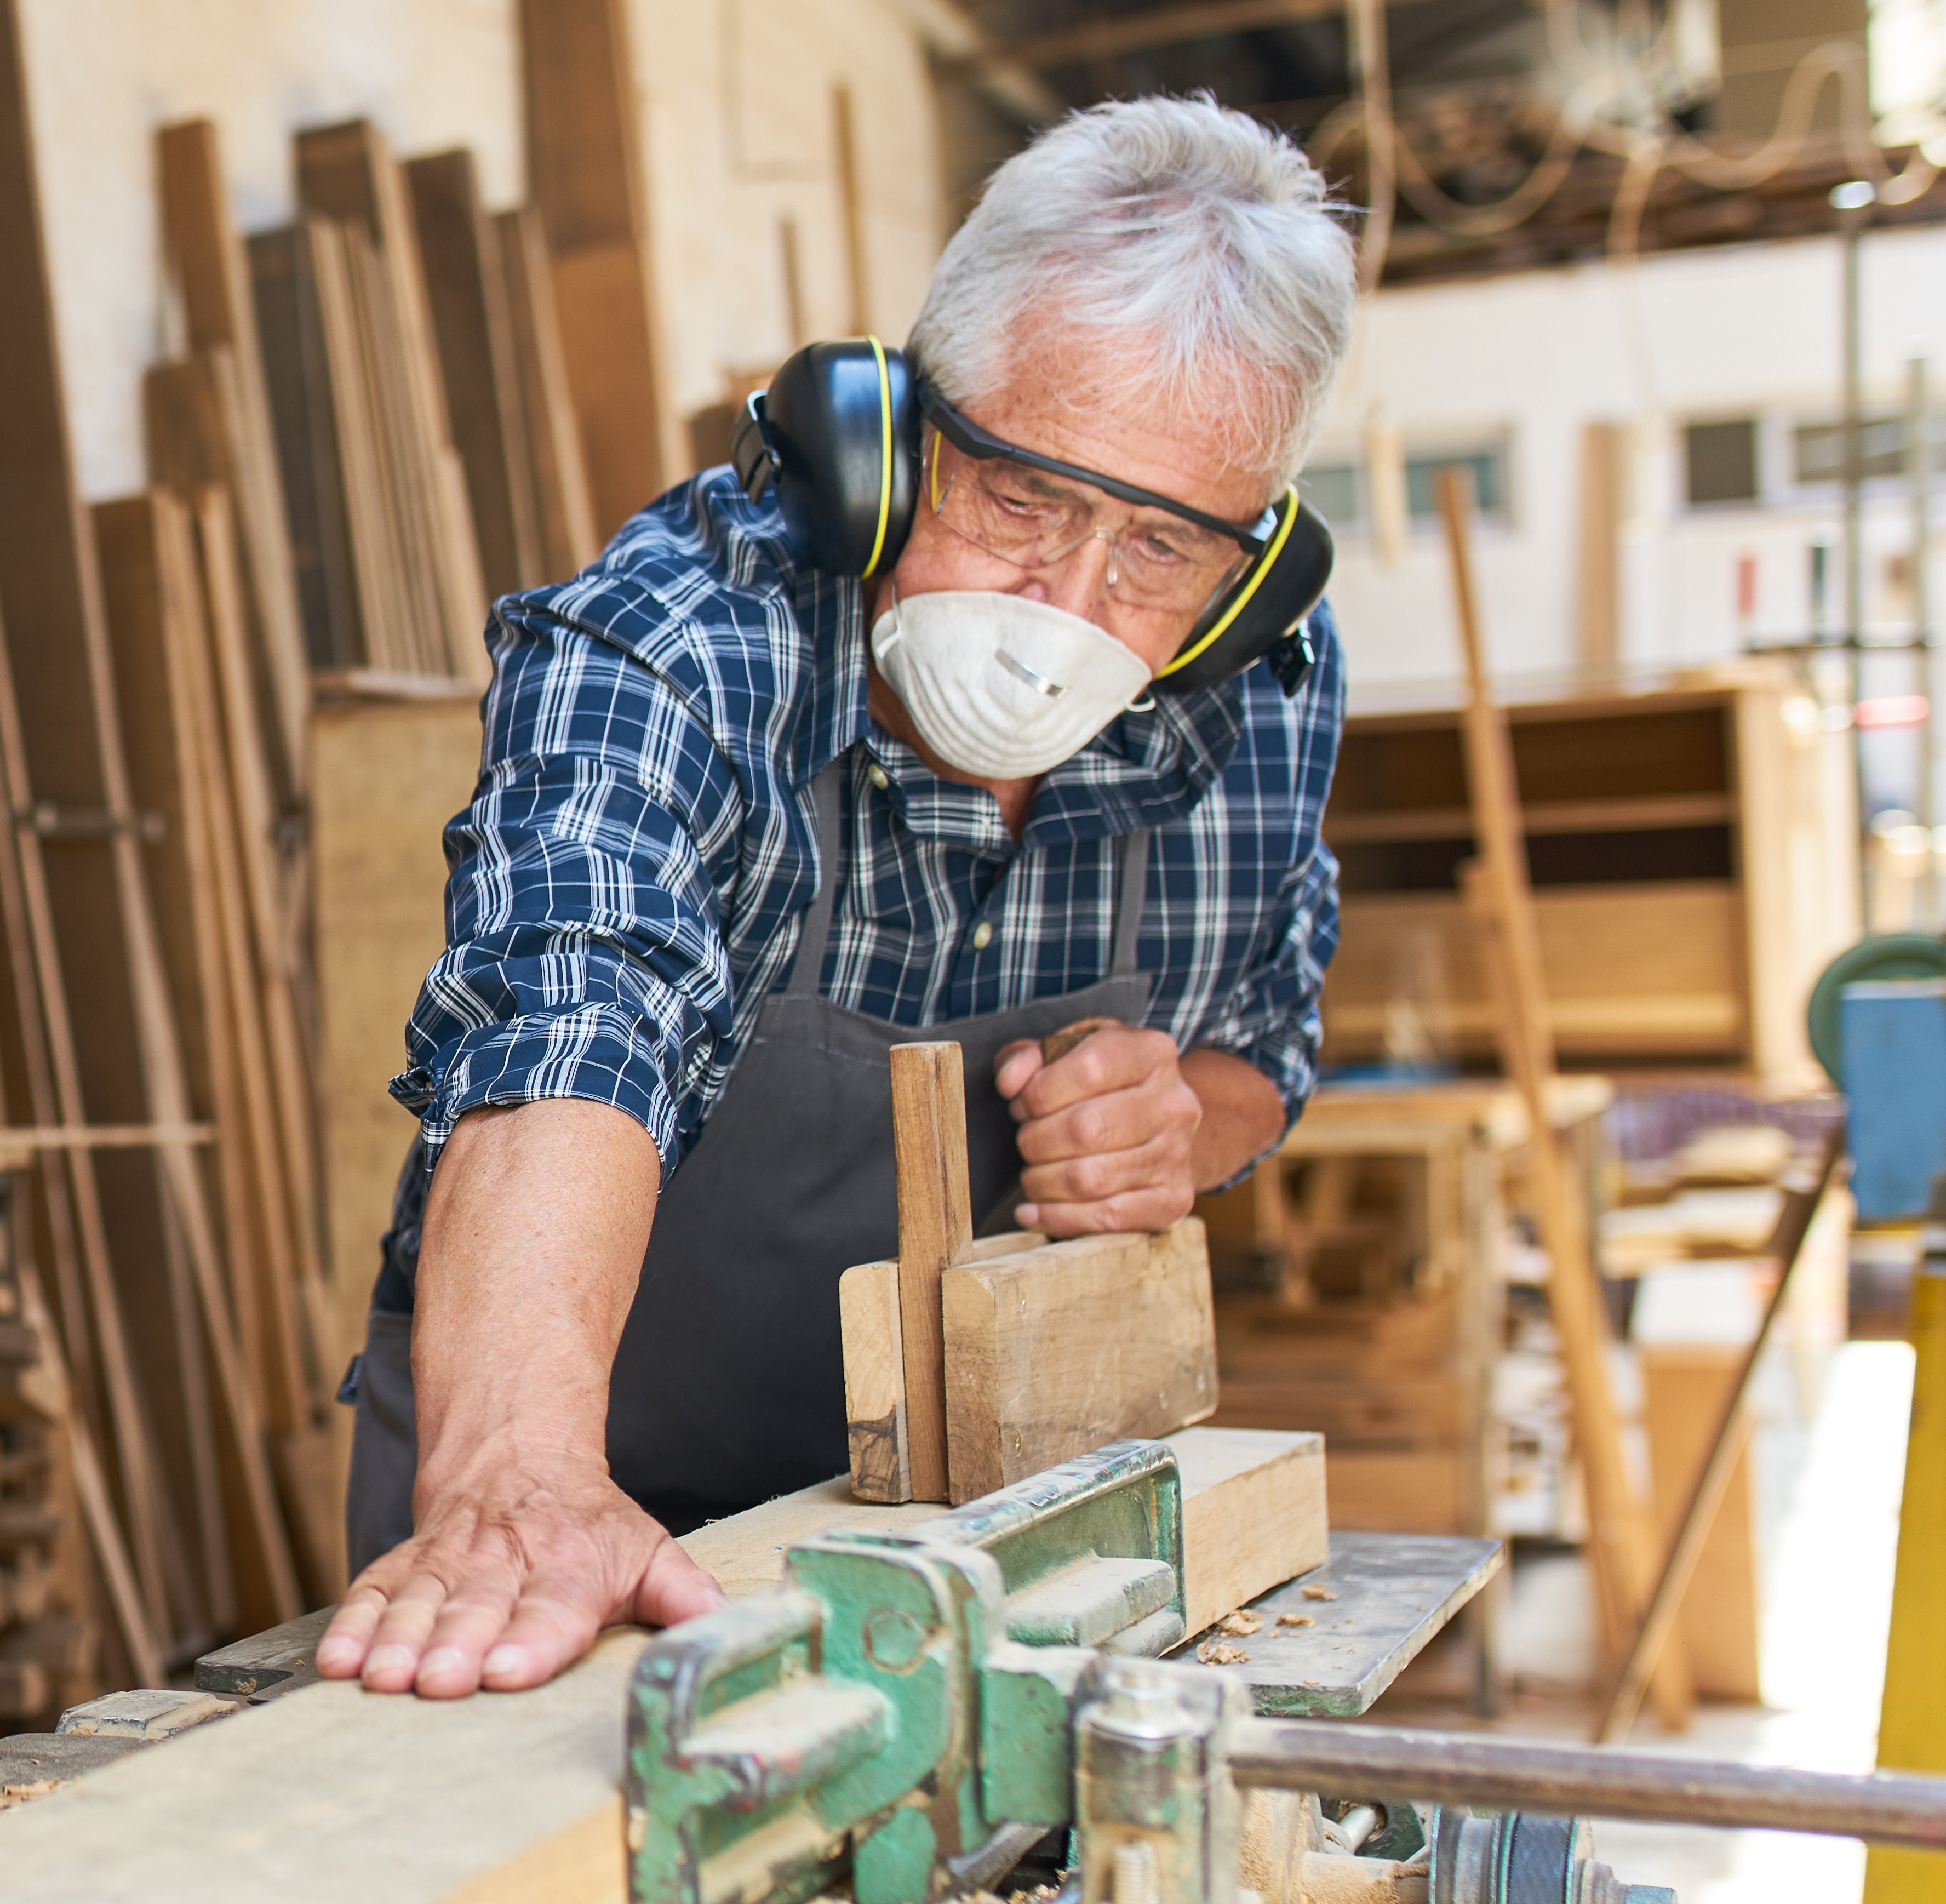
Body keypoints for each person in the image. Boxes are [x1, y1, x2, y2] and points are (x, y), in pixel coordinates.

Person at [316, 96, 1359, 1701]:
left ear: (1250, 573)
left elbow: (1263, 1045)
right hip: (585, 1491)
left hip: (974, 1523)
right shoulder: (679, 639)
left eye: (1160, 549)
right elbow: (565, 1020)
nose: (1071, 608)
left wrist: (1176, 1128)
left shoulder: (1261, 691)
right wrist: (516, 1481)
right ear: (892, 440)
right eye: (1024, 501)